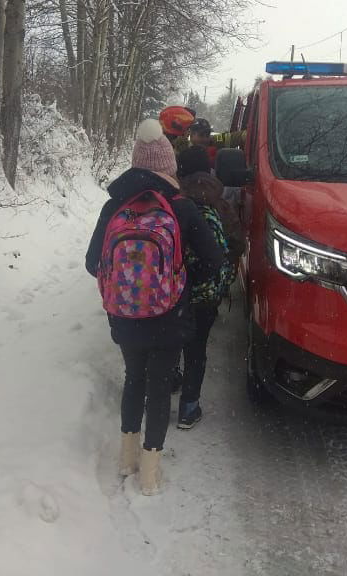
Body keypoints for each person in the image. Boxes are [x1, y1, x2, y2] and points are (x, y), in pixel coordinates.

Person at [85, 120, 223, 495]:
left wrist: (127, 281)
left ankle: (126, 459)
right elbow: (215, 258)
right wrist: (177, 274)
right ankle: (149, 474)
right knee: (160, 386)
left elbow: (91, 262)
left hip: (125, 315)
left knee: (134, 378)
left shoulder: (115, 206)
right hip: (169, 314)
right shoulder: (182, 208)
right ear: (168, 165)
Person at [172, 145, 246, 429]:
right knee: (197, 347)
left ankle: (170, 381)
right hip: (207, 292)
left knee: (171, 339)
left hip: (174, 288)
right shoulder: (221, 203)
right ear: (210, 171)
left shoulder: (174, 200)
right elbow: (237, 244)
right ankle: (189, 408)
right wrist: (222, 277)